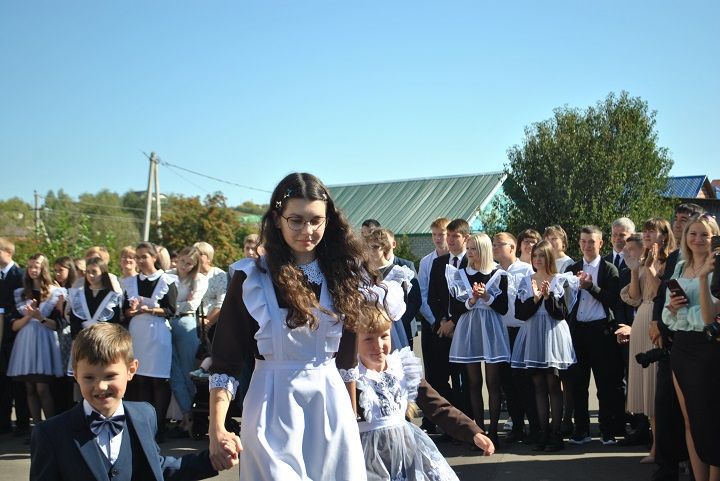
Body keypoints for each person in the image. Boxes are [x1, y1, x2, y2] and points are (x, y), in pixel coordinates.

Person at [208, 172, 402, 480]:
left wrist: (350, 418)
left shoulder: (344, 276)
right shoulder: (250, 279)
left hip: (330, 405)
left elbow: (347, 363)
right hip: (270, 407)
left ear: (328, 220)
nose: (307, 230)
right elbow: (226, 362)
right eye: (296, 220)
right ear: (277, 218)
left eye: (316, 220)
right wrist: (217, 427)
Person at [29, 322, 220, 480]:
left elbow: (155, 468)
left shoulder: (144, 415)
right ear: (76, 373)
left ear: (131, 370)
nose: (101, 386)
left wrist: (212, 460)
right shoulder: (51, 433)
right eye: (89, 377)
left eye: (110, 376)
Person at [344, 308, 494, 481]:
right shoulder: (351, 378)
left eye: (384, 336)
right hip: (367, 461)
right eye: (368, 339)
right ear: (355, 341)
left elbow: (437, 406)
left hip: (407, 455)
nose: (378, 345)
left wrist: (472, 432)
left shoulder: (402, 368)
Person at [662, 213, 720, 481]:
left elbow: (709, 318)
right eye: (692, 233)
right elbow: (667, 316)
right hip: (681, 348)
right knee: (690, 421)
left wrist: (703, 278)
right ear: (685, 237)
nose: (698, 239)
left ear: (714, 237)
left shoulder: (717, 269)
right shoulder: (679, 267)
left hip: (708, 349)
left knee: (710, 422)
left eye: (704, 234)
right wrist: (672, 309)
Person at [616, 219, 675, 463]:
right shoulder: (642, 262)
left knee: (658, 387)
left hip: (659, 318)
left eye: (653, 231)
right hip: (641, 319)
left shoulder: (669, 261)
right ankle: (655, 447)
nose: (648, 234)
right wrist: (634, 268)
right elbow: (634, 297)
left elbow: (661, 292)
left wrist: (649, 267)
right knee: (646, 387)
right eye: (646, 231)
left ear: (664, 235)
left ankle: (664, 448)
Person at [446, 233, 510, 448]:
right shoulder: (460, 274)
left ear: (483, 250)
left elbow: (503, 308)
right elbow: (454, 308)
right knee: (473, 382)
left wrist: (486, 297)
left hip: (491, 327)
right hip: (469, 328)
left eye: (473, 248)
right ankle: (479, 431)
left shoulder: (498, 274)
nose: (470, 252)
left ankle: (493, 431)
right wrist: (472, 300)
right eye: (469, 248)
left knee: (493, 382)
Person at [513, 241, 577, 451]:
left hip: (552, 335)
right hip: (532, 334)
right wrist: (535, 298)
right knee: (538, 386)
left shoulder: (560, 280)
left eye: (542, 255)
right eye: (535, 255)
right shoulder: (525, 280)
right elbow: (520, 314)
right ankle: (543, 432)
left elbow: (561, 314)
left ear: (549, 258)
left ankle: (556, 433)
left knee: (553, 385)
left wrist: (548, 297)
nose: (538, 259)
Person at [565, 225, 624, 445]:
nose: (587, 246)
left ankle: (607, 432)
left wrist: (591, 287)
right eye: (583, 241)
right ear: (579, 243)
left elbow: (612, 300)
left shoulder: (609, 269)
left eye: (592, 241)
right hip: (578, 331)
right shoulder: (573, 267)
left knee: (605, 385)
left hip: (601, 331)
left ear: (601, 243)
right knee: (579, 385)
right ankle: (581, 431)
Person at [122, 241, 178, 442]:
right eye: (138, 257)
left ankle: (159, 427)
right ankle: (142, 426)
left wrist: (149, 310)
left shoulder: (166, 280)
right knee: (141, 380)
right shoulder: (130, 282)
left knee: (158, 381)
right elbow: (124, 312)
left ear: (154, 257)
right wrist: (133, 310)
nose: (140, 260)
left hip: (157, 333)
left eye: (144, 256)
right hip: (137, 333)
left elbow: (171, 310)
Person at [7, 253, 66, 434]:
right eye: (30, 266)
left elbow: (57, 324)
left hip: (45, 339)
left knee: (43, 387)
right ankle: (38, 429)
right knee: (30, 387)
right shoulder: (20, 293)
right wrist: (28, 316)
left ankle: (51, 428)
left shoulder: (55, 292)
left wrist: (40, 317)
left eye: (37, 266)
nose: (33, 270)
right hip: (25, 341)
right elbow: (14, 326)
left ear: (44, 268)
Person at [492, 232, 540, 443]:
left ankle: (536, 427)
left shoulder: (526, 270)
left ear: (512, 248)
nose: (494, 247)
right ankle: (517, 427)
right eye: (493, 244)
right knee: (507, 382)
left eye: (499, 244)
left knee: (525, 381)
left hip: (521, 330)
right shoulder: (493, 271)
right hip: (501, 331)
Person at [427, 218, 471, 421]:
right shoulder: (438, 263)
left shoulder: (471, 262)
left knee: (464, 380)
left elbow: (469, 298)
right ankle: (451, 423)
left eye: (455, 236)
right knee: (438, 378)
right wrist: (443, 321)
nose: (451, 240)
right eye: (449, 235)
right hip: (442, 329)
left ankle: (468, 421)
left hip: (464, 327)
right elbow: (432, 297)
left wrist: (454, 321)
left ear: (465, 238)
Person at [167, 246, 208, 437]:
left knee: (187, 371)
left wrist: (172, 306)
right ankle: (186, 414)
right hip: (166, 323)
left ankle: (190, 416)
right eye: (183, 261)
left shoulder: (199, 279)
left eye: (189, 263)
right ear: (178, 258)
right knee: (173, 371)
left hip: (186, 323)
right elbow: (164, 304)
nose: (185, 266)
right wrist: (172, 306)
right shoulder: (167, 275)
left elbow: (192, 304)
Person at [364, 228, 419, 350]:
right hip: (367, 328)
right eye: (369, 247)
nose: (371, 251)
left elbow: (406, 303)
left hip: (391, 329)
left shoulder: (398, 272)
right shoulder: (363, 272)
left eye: (375, 247)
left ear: (385, 247)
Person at [0, 238, 31, 436]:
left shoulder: (20, 276)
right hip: (1, 334)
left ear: (8, 252)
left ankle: (22, 424)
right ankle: (3, 423)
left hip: (17, 333)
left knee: (18, 382)